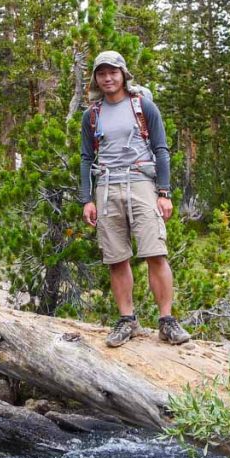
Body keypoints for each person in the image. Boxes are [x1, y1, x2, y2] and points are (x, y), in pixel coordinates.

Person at [80, 50, 191, 347]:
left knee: (155, 252)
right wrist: (86, 199)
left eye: (113, 72)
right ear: (96, 78)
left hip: (141, 183)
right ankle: (127, 320)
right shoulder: (92, 115)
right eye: (102, 74)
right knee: (116, 257)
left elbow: (161, 149)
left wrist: (164, 192)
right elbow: (86, 158)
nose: (108, 78)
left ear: (123, 74)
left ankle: (167, 321)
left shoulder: (143, 106)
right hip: (106, 186)